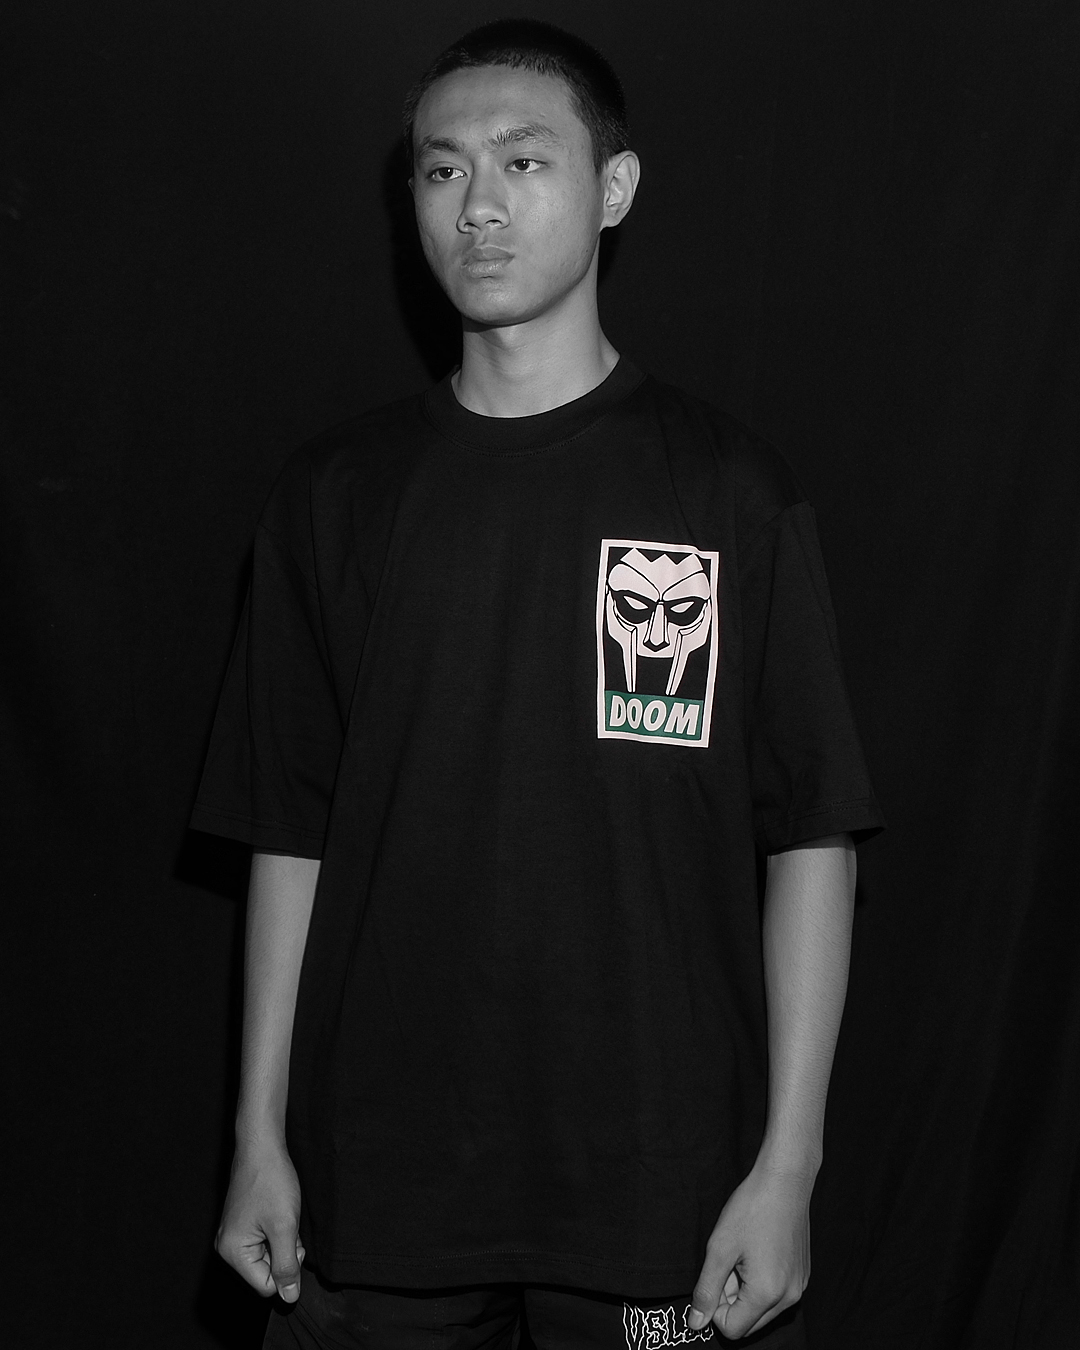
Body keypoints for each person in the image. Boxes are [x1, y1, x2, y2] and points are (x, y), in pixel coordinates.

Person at [191, 18, 884, 1350]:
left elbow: (812, 835)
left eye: (523, 161)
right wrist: (257, 1137)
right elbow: (290, 833)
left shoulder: (727, 488)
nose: (479, 206)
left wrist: (789, 1168)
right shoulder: (335, 496)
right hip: (374, 1190)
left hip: (663, 1192)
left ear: (613, 188)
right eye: (443, 170)